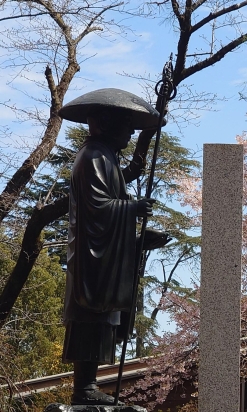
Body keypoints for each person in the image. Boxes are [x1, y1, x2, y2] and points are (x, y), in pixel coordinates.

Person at [59, 90, 168, 405]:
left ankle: (88, 385)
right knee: (89, 317)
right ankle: (84, 387)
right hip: (91, 257)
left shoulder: (105, 157)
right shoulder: (93, 156)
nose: (132, 132)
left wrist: (138, 242)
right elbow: (97, 208)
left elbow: (112, 202)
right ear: (106, 123)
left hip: (103, 254)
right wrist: (132, 209)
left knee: (101, 318)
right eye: (128, 124)